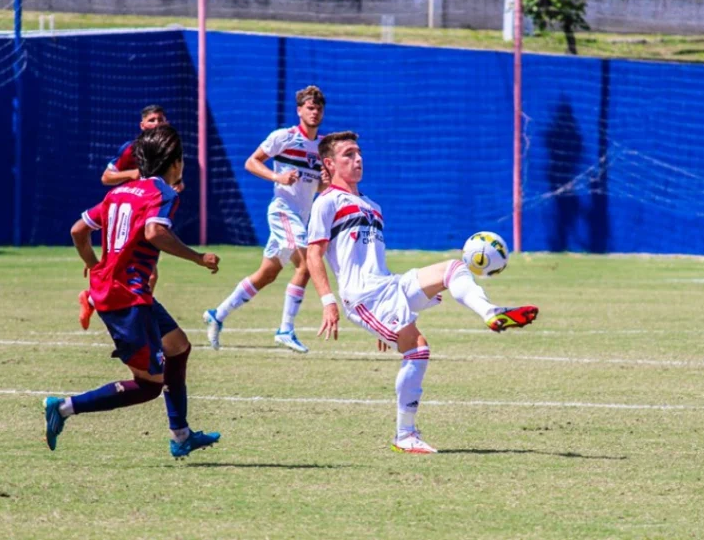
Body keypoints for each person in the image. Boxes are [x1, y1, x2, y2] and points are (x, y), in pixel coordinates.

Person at [305, 131, 539, 454]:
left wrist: (386, 327)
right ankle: (404, 435)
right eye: (348, 154)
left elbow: (372, 261)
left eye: (359, 152)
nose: (358, 159)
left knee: (454, 268)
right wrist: (327, 301)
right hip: (363, 298)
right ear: (329, 163)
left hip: (389, 286)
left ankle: (491, 312)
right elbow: (313, 254)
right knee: (419, 350)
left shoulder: (373, 206)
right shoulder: (326, 203)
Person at [44, 125, 222, 459]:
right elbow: (155, 232)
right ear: (175, 163)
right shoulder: (165, 194)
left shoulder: (120, 192)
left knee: (178, 347)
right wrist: (198, 257)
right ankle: (63, 407)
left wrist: (96, 266)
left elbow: (78, 229)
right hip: (127, 298)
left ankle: (181, 435)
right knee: (149, 385)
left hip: (125, 293)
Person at [203, 85, 326, 353]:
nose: (314, 112)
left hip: (301, 217)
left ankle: (217, 314)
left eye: (318, 108)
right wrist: (277, 177)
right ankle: (285, 328)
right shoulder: (284, 137)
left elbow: (316, 187)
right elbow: (251, 162)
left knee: (267, 275)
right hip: (283, 211)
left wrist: (324, 184)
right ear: (299, 110)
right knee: (307, 263)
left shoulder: (322, 146)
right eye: (309, 107)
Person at [79, 104, 170, 330]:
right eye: (152, 120)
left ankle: (94, 299)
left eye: (160, 119)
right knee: (142, 272)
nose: (157, 123)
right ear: (142, 125)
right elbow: (106, 177)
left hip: (147, 211)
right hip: (128, 208)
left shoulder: (168, 151)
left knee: (148, 273)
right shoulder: (133, 149)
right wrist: (132, 174)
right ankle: (135, 321)